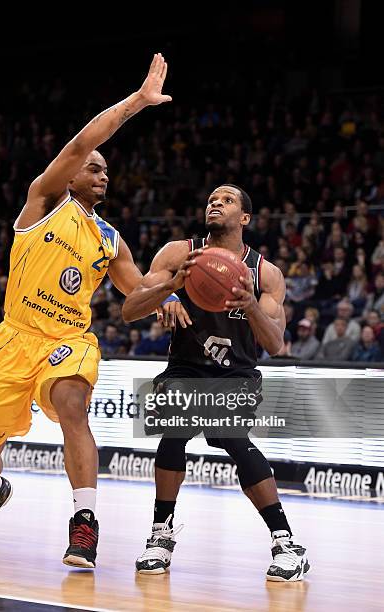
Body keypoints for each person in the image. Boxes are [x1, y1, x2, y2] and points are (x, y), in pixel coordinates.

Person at [0, 54, 172, 571]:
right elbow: (82, 142)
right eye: (94, 168)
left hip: (68, 339)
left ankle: (85, 522)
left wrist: (172, 291)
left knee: (73, 406)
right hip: (13, 339)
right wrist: (138, 103)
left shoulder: (110, 239)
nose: (103, 176)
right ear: (71, 173)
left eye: (106, 172)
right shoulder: (44, 201)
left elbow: (135, 293)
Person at [123, 184, 310, 581]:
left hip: (236, 373)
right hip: (187, 367)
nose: (215, 203)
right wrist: (167, 291)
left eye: (226, 200)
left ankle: (285, 543)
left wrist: (251, 306)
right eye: (211, 199)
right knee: (172, 434)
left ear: (244, 218)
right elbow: (128, 310)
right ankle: (161, 535)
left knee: (234, 440)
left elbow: (276, 344)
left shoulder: (266, 273)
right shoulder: (178, 254)